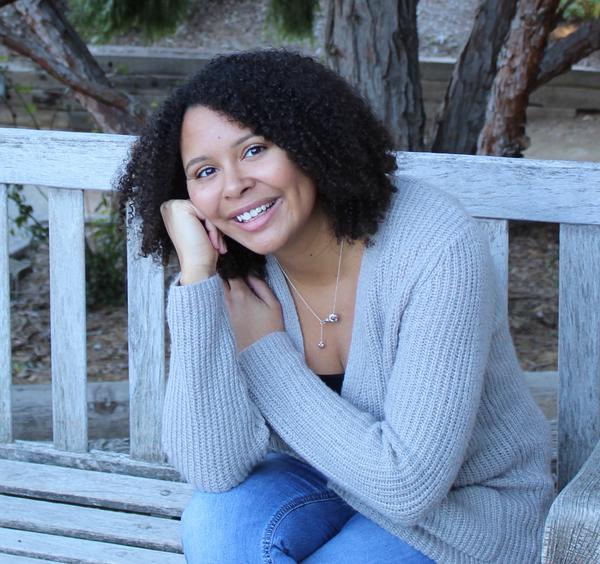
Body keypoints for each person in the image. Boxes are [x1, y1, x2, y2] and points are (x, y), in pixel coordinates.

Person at [117, 49, 554, 563]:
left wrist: (264, 350)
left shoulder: (434, 242)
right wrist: (196, 281)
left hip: (464, 513)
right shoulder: (238, 272)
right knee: (216, 523)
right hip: (326, 487)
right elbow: (213, 469)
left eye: (254, 150)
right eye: (205, 171)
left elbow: (407, 487)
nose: (233, 186)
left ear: (308, 141)